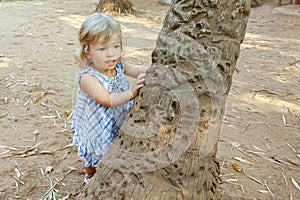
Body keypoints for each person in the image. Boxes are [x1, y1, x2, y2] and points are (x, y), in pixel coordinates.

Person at [71, 12, 147, 183]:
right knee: (91, 151)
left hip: (116, 116)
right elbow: (107, 99)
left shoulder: (119, 64)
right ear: (87, 51)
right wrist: (132, 93)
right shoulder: (88, 78)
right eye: (102, 49)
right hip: (96, 123)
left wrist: (153, 70)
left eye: (116, 46)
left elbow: (135, 70)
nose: (110, 54)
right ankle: (89, 172)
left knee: (114, 144)